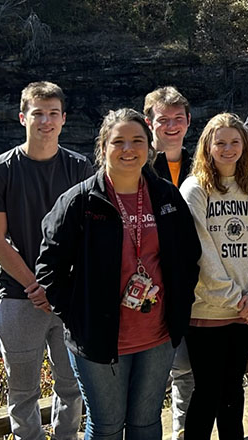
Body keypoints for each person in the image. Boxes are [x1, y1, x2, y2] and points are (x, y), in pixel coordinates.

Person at [37, 109, 201, 440]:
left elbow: (189, 256)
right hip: (100, 340)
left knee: (146, 422)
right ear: (103, 147)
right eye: (119, 141)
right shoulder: (81, 201)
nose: (129, 149)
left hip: (157, 335)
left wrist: (178, 305)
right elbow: (49, 268)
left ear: (149, 147)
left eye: (137, 140)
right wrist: (77, 316)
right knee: (107, 426)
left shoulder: (166, 196)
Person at [0, 82, 90, 440]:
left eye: (53, 114)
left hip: (68, 296)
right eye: (38, 113)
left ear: (63, 119)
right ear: (22, 117)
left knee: (71, 383)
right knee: (22, 390)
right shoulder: (0, 171)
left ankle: (66, 437)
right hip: (17, 295)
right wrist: (35, 284)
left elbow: (88, 234)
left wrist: (59, 285)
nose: (46, 121)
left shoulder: (79, 167)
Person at [179, 114, 248, 440]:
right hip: (206, 310)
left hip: (245, 311)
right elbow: (200, 251)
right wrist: (237, 297)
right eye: (219, 142)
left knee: (233, 391)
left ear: (245, 145)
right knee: (207, 392)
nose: (228, 148)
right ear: (207, 146)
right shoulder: (194, 189)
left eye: (235, 141)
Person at [142, 86, 195, 440]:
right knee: (148, 372)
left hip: (194, 281)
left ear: (189, 122)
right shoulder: (138, 165)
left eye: (178, 119)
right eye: (163, 120)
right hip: (150, 281)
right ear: (149, 123)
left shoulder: (203, 162)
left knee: (188, 369)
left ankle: (183, 432)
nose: (171, 126)